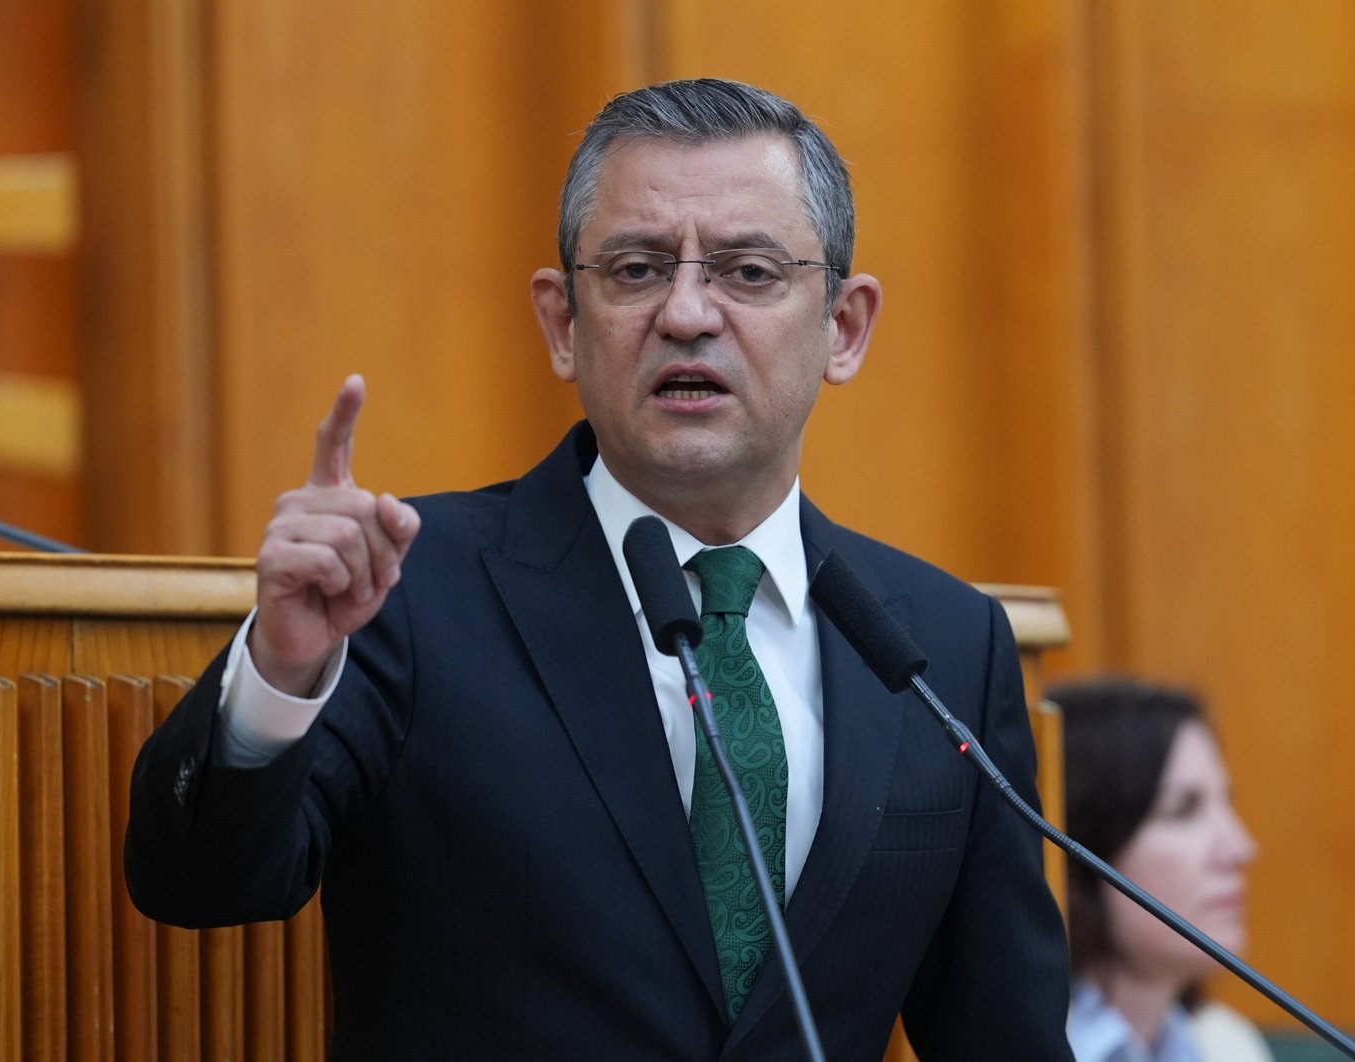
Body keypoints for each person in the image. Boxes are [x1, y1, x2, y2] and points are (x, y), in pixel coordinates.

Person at [125, 78, 1073, 1060]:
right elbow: (198, 885)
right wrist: (280, 673)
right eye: (634, 270)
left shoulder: (940, 648)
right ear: (562, 322)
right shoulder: (408, 594)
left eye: (748, 272)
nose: (688, 313)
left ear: (843, 327)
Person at [1049, 676, 1269, 1062]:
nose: (1240, 848)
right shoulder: (1014, 1048)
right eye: (1183, 809)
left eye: (1225, 803)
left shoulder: (1228, 1047)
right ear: (1076, 855)